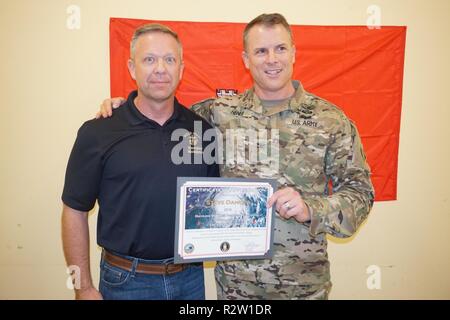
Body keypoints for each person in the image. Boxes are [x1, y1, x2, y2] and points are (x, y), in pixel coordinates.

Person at [98, 13, 374, 299]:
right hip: (236, 291)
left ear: (294, 53)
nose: (272, 59)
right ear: (245, 59)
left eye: (280, 48)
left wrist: (310, 209)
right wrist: (123, 107)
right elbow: (162, 114)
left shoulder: (331, 120)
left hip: (304, 288)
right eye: (261, 51)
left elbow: (361, 194)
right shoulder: (219, 113)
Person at [61, 23, 219, 300]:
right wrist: (82, 287)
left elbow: (213, 205)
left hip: (190, 281)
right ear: (132, 68)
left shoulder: (202, 131)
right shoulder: (98, 131)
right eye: (149, 59)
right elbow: (74, 211)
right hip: (125, 282)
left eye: (170, 59)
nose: (160, 68)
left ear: (181, 70)